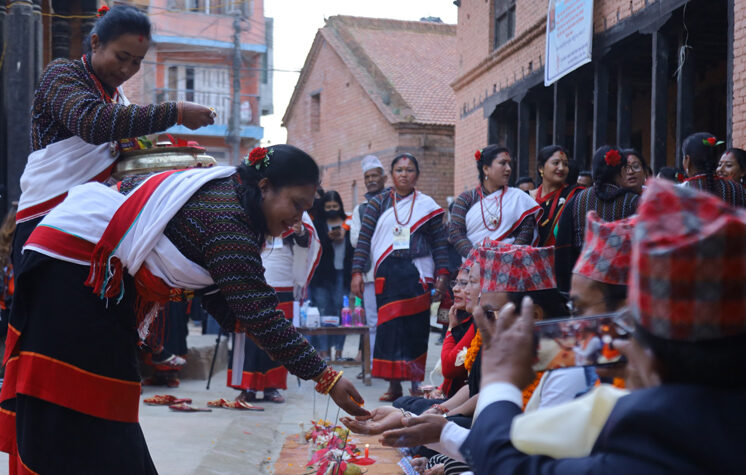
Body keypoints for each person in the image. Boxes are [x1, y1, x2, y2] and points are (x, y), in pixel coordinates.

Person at [0, 145, 366, 474]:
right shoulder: (229, 221)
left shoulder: (235, 200)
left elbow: (220, 296)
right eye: (296, 205)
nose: (299, 220)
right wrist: (326, 378)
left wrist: (260, 332)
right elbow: (260, 313)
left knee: (108, 401)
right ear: (265, 186)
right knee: (84, 396)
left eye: (306, 209)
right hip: (75, 264)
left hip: (86, 269)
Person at [456, 179, 746, 473]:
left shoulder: (657, 427)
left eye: (579, 309)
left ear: (629, 322)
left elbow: (512, 467)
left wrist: (500, 382)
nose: (574, 324)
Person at [13, 5, 215, 271]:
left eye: (137, 62)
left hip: (94, 225)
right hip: (46, 221)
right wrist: (175, 112)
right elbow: (91, 123)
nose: (126, 69)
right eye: (122, 57)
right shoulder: (61, 74)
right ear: (96, 43)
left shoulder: (118, 100)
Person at [351, 153, 449, 401]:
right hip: (387, 273)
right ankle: (393, 386)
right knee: (389, 329)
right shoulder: (378, 204)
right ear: (391, 175)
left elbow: (439, 243)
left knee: (416, 329)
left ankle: (416, 383)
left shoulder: (427, 205)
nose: (404, 174)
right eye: (399, 170)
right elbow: (363, 241)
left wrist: (442, 275)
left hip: (418, 273)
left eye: (409, 170)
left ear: (417, 175)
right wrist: (357, 272)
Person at [229, 214, 321, 404]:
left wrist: (300, 232)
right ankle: (247, 387)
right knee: (250, 337)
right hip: (252, 274)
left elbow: (307, 242)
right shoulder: (251, 206)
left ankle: (272, 387)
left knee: (278, 336)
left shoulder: (294, 209)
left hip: (283, 276)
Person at [555, 146, 639, 291]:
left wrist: (565, 288)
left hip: (584, 281)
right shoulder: (633, 201)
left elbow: (562, 245)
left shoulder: (577, 200)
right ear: (622, 171)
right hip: (623, 285)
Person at [449, 145, 542, 258]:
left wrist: (507, 257)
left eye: (509, 164)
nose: (508, 168)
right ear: (486, 169)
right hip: (473, 265)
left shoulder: (518, 198)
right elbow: (456, 233)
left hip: (510, 263)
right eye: (503, 163)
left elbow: (526, 229)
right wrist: (476, 258)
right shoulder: (466, 199)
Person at [350, 155, 389, 368]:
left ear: (384, 178)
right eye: (367, 177)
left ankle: (391, 363)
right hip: (369, 273)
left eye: (375, 175)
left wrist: (371, 235)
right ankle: (374, 364)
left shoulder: (394, 203)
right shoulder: (360, 209)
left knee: (392, 318)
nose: (371, 180)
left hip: (392, 271)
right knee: (372, 321)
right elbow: (355, 239)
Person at [308, 191, 354, 361]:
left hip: (344, 274)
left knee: (342, 312)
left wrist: (343, 234)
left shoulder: (348, 223)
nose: (332, 209)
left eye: (335, 206)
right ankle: (324, 352)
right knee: (322, 311)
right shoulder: (318, 224)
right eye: (328, 207)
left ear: (340, 206)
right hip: (322, 276)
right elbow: (315, 246)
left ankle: (339, 352)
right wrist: (328, 239)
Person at [529, 145, 583, 246]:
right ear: (541, 168)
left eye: (565, 164)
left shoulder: (575, 195)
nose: (562, 168)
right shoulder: (526, 197)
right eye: (556, 163)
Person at [681, 132, 746, 207]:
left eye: (729, 165)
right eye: (720, 165)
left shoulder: (680, 191)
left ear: (687, 160)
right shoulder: (739, 190)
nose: (721, 170)